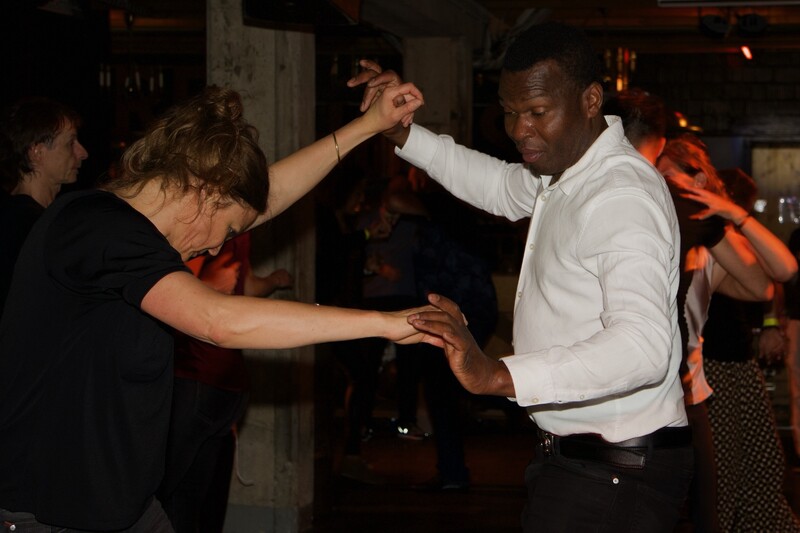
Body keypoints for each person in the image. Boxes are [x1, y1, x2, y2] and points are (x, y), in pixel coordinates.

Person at [0, 83, 426, 531]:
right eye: (228, 231)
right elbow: (217, 320)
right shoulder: (95, 226)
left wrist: (368, 126)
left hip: (121, 509)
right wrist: (386, 323)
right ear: (204, 190)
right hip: (46, 514)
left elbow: (268, 197)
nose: (216, 248)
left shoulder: (132, 232)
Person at [353, 22, 693, 531]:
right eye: (510, 112)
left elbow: (643, 348)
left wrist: (498, 375)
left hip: (615, 472)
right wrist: (401, 131)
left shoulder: (619, 195)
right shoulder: (568, 170)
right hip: (587, 462)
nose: (518, 129)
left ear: (590, 100)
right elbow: (495, 185)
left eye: (536, 111)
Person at [604, 90, 786, 532]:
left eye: (670, 179)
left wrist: (729, 213)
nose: (661, 189)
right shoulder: (634, 227)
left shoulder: (709, 248)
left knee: (713, 498)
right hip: (640, 390)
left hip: (696, 387)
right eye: (657, 177)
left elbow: (771, 279)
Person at [158, 232, 293, 532]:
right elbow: (166, 290)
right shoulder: (201, 226)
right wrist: (206, 286)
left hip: (225, 383)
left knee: (205, 498)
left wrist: (272, 281)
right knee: (178, 497)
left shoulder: (239, 231)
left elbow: (243, 285)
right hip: (194, 377)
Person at [700, 167, 800, 532]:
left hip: (735, 357)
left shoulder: (728, 232)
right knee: (727, 472)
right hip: (713, 363)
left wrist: (771, 324)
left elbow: (773, 278)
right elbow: (774, 278)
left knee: (760, 463)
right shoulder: (710, 234)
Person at [0, 96, 88, 311]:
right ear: (37, 153)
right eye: (70, 143)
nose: (83, 153)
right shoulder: (29, 225)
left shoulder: (21, 217)